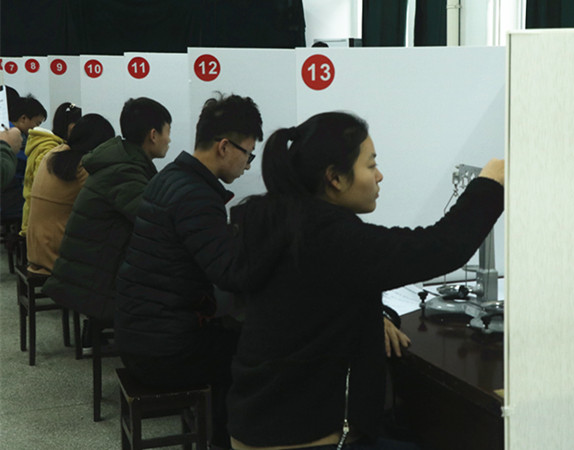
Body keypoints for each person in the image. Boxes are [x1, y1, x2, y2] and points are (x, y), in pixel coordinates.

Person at [225, 112, 505, 449]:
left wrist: (371, 315)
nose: (379, 175)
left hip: (255, 426)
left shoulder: (279, 223)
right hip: (308, 438)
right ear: (335, 178)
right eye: (371, 165)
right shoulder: (331, 238)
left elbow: (310, 300)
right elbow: (443, 247)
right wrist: (491, 184)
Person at [115, 93, 263, 448]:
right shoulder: (196, 195)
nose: (248, 165)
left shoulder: (172, 177)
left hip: (140, 333)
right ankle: (226, 441)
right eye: (248, 154)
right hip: (162, 350)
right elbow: (229, 273)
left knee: (235, 335)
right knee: (256, 355)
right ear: (224, 147)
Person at [43, 97, 171, 330]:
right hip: (95, 282)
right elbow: (155, 222)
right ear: (153, 135)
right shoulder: (124, 171)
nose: (169, 140)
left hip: (87, 272)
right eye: (167, 132)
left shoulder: (122, 162)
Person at [26, 114, 115, 275]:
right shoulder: (82, 166)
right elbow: (105, 203)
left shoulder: (54, 154)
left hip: (36, 248)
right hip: (57, 254)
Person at [20, 102, 83, 236]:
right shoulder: (49, 149)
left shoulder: (54, 146)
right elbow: (45, 186)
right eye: (77, 124)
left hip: (41, 220)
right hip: (38, 223)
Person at [1, 94, 47, 221]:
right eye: (36, 123)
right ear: (23, 118)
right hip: (10, 203)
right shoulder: (11, 137)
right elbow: (22, 162)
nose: (37, 128)